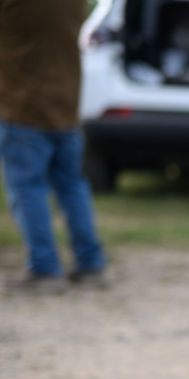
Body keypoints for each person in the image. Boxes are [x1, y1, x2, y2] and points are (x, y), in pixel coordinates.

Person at [0, 0, 107, 294]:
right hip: (67, 108)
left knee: (28, 188)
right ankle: (91, 264)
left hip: (24, 109)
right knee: (73, 186)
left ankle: (45, 268)